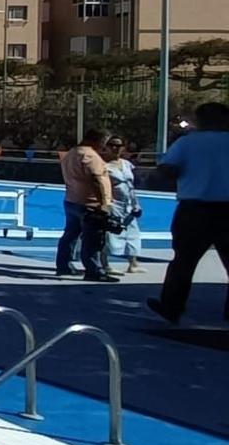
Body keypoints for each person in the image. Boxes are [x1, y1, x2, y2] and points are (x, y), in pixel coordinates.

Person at [147, 102, 229, 326]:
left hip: (195, 209)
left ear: (200, 120)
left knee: (183, 262)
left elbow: (166, 170)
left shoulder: (188, 143)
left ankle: (171, 307)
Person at [57, 128, 115, 282]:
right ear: (98, 140)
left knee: (70, 235)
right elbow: (96, 179)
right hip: (90, 203)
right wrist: (103, 203)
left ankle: (64, 265)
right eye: (104, 142)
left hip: (72, 199)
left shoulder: (71, 154)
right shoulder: (90, 156)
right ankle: (94, 270)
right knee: (92, 239)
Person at [103, 135, 145, 274]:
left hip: (129, 203)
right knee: (110, 234)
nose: (115, 148)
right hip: (114, 203)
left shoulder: (126, 164)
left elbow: (131, 186)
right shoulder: (104, 166)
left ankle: (133, 263)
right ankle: (105, 264)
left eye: (118, 146)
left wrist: (136, 204)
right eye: (112, 145)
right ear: (107, 147)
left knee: (133, 233)